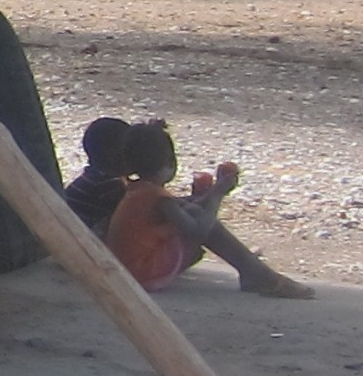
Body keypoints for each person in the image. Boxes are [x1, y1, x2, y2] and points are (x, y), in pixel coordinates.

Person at [63, 117, 311, 298]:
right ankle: (259, 275)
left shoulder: (130, 188)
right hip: (123, 270)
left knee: (194, 215)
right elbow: (197, 230)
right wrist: (216, 195)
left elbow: (166, 211)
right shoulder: (114, 188)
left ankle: (256, 274)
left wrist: (202, 198)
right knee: (204, 224)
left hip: (103, 259)